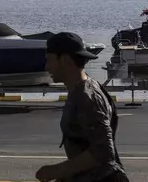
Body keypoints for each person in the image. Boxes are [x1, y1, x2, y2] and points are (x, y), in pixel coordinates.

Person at [35, 32, 129, 182]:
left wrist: (57, 170)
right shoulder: (79, 90)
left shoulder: (87, 97)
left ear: (65, 60)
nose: (47, 67)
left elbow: (103, 151)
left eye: (50, 60)